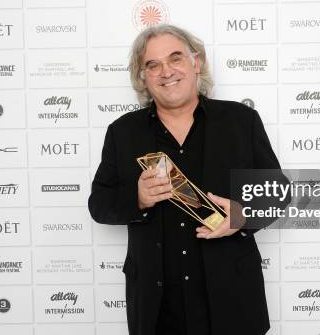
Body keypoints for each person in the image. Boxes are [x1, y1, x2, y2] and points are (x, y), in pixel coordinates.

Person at [88, 24, 283, 335]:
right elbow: (99, 204)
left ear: (197, 63)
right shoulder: (123, 132)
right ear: (143, 77)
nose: (166, 71)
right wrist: (137, 199)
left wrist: (243, 216)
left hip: (232, 301)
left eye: (175, 58)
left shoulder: (240, 121)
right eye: (153, 64)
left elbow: (277, 192)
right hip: (157, 307)